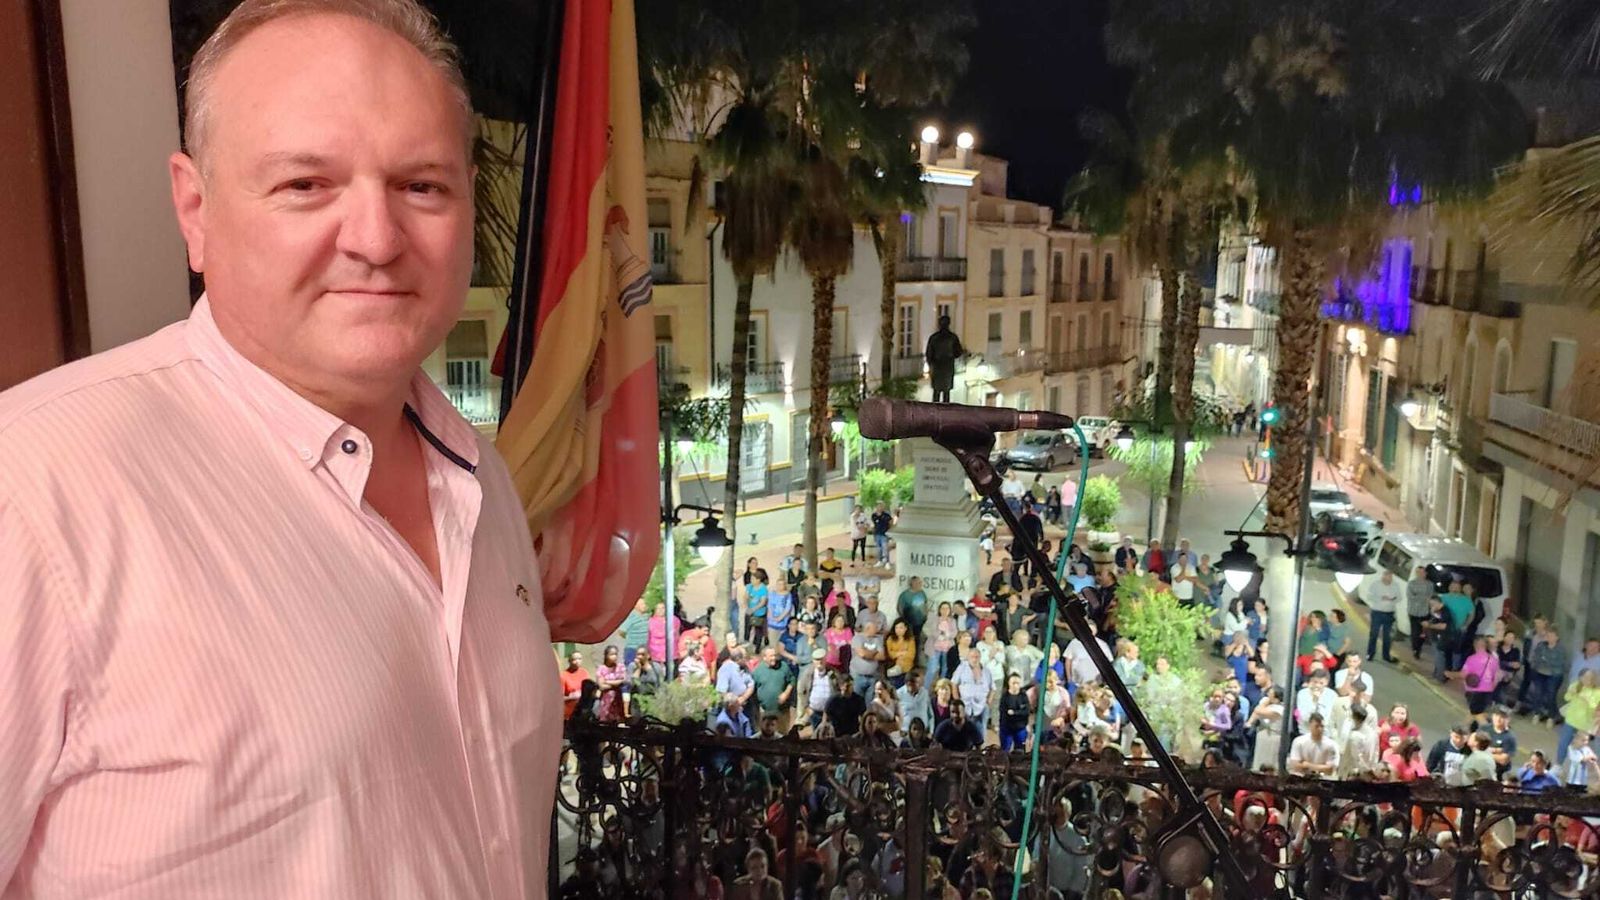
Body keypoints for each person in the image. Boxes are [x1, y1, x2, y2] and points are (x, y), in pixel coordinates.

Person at [0, 1, 607, 890]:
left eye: (422, 186)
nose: (376, 239)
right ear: (195, 209)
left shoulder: (487, 483)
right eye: (305, 185)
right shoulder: (34, 490)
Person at [1557, 668, 1600, 766]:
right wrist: (1572, 692)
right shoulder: (1575, 685)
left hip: (1585, 724)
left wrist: (1587, 700)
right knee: (1563, 743)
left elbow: (1594, 707)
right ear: (1580, 677)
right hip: (1571, 719)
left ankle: (1579, 768)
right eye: (1585, 677)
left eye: (1590, 678)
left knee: (1581, 747)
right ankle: (1559, 764)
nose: (1587, 680)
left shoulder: (1597, 692)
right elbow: (1566, 698)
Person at [752, 647, 796, 733]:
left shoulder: (783, 666)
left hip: (782, 711)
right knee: (766, 736)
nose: (774, 658)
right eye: (771, 656)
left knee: (782, 735)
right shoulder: (758, 671)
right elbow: (753, 689)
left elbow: (792, 680)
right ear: (764, 658)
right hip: (765, 712)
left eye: (775, 655)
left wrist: (786, 693)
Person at [952, 648, 996, 734]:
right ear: (968, 657)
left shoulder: (986, 671)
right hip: (965, 706)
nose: (975, 659)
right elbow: (954, 684)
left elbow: (993, 688)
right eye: (972, 657)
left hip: (982, 706)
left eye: (977, 657)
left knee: (981, 732)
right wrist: (957, 701)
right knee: (964, 732)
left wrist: (988, 702)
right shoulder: (961, 669)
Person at [1461, 635, 1502, 726]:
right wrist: (1492, 687)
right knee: (1474, 712)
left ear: (1476, 645)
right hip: (1487, 691)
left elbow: (1463, 674)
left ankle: (1489, 732)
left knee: (1477, 715)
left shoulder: (1472, 659)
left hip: (1475, 691)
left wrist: (1450, 674)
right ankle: (1462, 730)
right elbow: (1498, 676)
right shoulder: (1494, 659)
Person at [924, 314, 965, 403]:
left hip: (937, 366)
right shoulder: (953, 337)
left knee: (936, 393)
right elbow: (958, 352)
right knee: (946, 393)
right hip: (948, 366)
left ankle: (934, 410)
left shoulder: (934, 338)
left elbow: (928, 354)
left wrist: (931, 364)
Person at [1286, 712, 1340, 779]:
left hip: (1322, 779)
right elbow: (1295, 765)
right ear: (1310, 726)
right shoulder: (1299, 741)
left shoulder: (1331, 745)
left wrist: (1307, 765)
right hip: (1302, 779)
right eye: (1317, 726)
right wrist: (1320, 767)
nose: (1320, 729)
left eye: (1322, 726)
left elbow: (1330, 769)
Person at [1366, 570, 1403, 662]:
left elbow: (1399, 597)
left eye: (1391, 577)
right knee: (1374, 634)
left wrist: (1393, 600)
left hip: (1389, 613)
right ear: (1383, 577)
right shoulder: (1376, 585)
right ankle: (1370, 654)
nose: (1389, 579)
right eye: (1388, 577)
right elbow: (1369, 596)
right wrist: (1381, 598)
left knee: (1387, 636)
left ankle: (1386, 656)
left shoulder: (1395, 585)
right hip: (1377, 612)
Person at [1247, 687, 1286, 771]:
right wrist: (1250, 722)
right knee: (1259, 758)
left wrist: (1264, 703)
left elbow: (1259, 711)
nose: (1268, 696)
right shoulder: (1267, 704)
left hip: (1273, 736)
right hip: (1262, 734)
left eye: (1270, 694)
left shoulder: (1280, 709)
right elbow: (1256, 713)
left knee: (1270, 759)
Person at [849, 619, 886, 696]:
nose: (877, 630)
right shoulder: (857, 638)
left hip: (873, 676)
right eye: (875, 628)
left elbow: (882, 656)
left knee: (870, 703)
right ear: (868, 628)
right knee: (857, 701)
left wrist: (867, 654)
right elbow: (862, 654)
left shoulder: (877, 639)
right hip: (858, 676)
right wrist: (875, 651)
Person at [1405, 567, 1437, 658]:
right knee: (1415, 632)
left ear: (1426, 573)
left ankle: (1418, 649)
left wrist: (1418, 596)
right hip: (1413, 612)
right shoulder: (1412, 583)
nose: (1420, 574)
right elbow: (1410, 596)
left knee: (1422, 633)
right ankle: (1415, 648)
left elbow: (1430, 597)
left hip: (1425, 612)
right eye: (1418, 572)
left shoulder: (1430, 585)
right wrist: (1424, 598)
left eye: (1422, 572)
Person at [998, 673, 1032, 751]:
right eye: (1013, 683)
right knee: (1005, 751)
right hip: (1006, 728)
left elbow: (1026, 711)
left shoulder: (1023, 696)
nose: (1015, 685)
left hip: (1020, 728)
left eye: (1018, 683)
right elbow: (1004, 713)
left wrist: (1014, 713)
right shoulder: (1005, 697)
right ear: (1009, 683)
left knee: (1020, 750)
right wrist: (1019, 713)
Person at [595, 646, 629, 723]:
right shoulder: (601, 668)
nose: (614, 657)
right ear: (606, 656)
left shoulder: (620, 667)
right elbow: (601, 686)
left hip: (617, 699)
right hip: (605, 701)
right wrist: (615, 684)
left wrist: (607, 681)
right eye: (612, 654)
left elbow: (622, 681)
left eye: (616, 654)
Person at [563, 649, 594, 720]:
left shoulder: (584, 672)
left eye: (579, 659)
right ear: (569, 661)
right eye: (574, 659)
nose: (577, 662)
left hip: (583, 711)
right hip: (570, 712)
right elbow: (559, 698)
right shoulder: (564, 675)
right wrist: (572, 696)